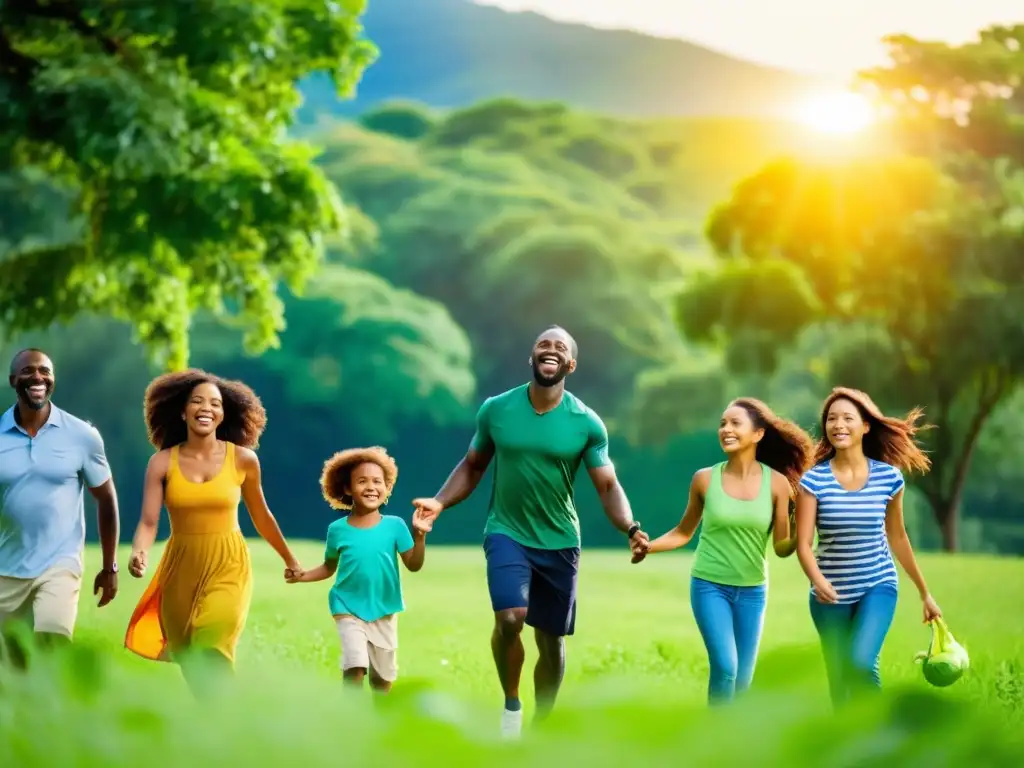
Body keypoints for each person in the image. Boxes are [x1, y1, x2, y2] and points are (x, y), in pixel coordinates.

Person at [412, 325, 650, 738]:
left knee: (551, 639)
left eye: (560, 347)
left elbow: (608, 486)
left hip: (560, 540)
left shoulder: (587, 423)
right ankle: (511, 708)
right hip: (506, 531)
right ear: (532, 357)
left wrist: (630, 526)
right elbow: (472, 465)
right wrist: (439, 501)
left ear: (570, 364)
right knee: (510, 617)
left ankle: (543, 724)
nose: (550, 349)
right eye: (543, 343)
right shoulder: (496, 410)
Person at [123, 369, 303, 695]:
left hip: (228, 563)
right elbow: (149, 522)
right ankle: (215, 726)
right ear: (182, 411)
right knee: (191, 656)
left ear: (223, 414)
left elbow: (261, 515)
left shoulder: (244, 460)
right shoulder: (161, 463)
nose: (206, 408)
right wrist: (140, 552)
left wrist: (289, 558)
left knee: (213, 644)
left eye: (215, 403)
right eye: (197, 401)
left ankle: (230, 721)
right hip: (180, 568)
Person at [633, 398, 814, 704]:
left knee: (742, 682)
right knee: (726, 667)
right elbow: (683, 532)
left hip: (753, 592)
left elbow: (781, 547)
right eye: (722, 423)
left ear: (757, 434)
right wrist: (649, 547)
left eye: (735, 423)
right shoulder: (705, 479)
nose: (726, 429)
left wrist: (800, 530)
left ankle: (730, 743)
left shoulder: (779, 485)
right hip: (709, 585)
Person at [796, 386, 942, 707]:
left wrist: (924, 593)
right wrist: (818, 581)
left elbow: (898, 537)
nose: (838, 425)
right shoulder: (813, 481)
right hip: (828, 594)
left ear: (865, 426)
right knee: (839, 681)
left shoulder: (888, 478)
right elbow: (803, 544)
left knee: (861, 662)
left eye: (848, 418)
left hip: (877, 584)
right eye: (831, 419)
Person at [0, 348, 120, 666]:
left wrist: (110, 568)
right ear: (13, 380)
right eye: (28, 371)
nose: (37, 377)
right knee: (16, 662)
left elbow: (106, 499)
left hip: (60, 563)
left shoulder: (82, 436)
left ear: (52, 379)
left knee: (53, 639)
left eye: (44, 371)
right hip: (6, 569)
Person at [287, 447, 430, 694]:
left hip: (384, 609)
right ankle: (350, 719)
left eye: (378, 482)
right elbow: (329, 567)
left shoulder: (395, 526)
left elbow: (413, 565)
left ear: (387, 488)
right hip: (347, 606)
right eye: (362, 481)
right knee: (355, 665)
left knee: (382, 680)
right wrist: (303, 576)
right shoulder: (337, 530)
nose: (371, 487)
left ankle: (377, 724)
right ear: (347, 489)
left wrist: (419, 536)